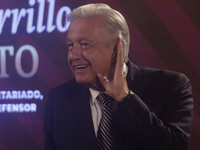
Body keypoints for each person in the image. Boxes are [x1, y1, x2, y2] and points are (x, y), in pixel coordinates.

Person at [43, 3, 193, 150]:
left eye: (84, 44)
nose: (73, 55)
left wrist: (124, 98)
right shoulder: (58, 99)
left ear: (116, 48)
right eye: (70, 45)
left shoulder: (170, 86)